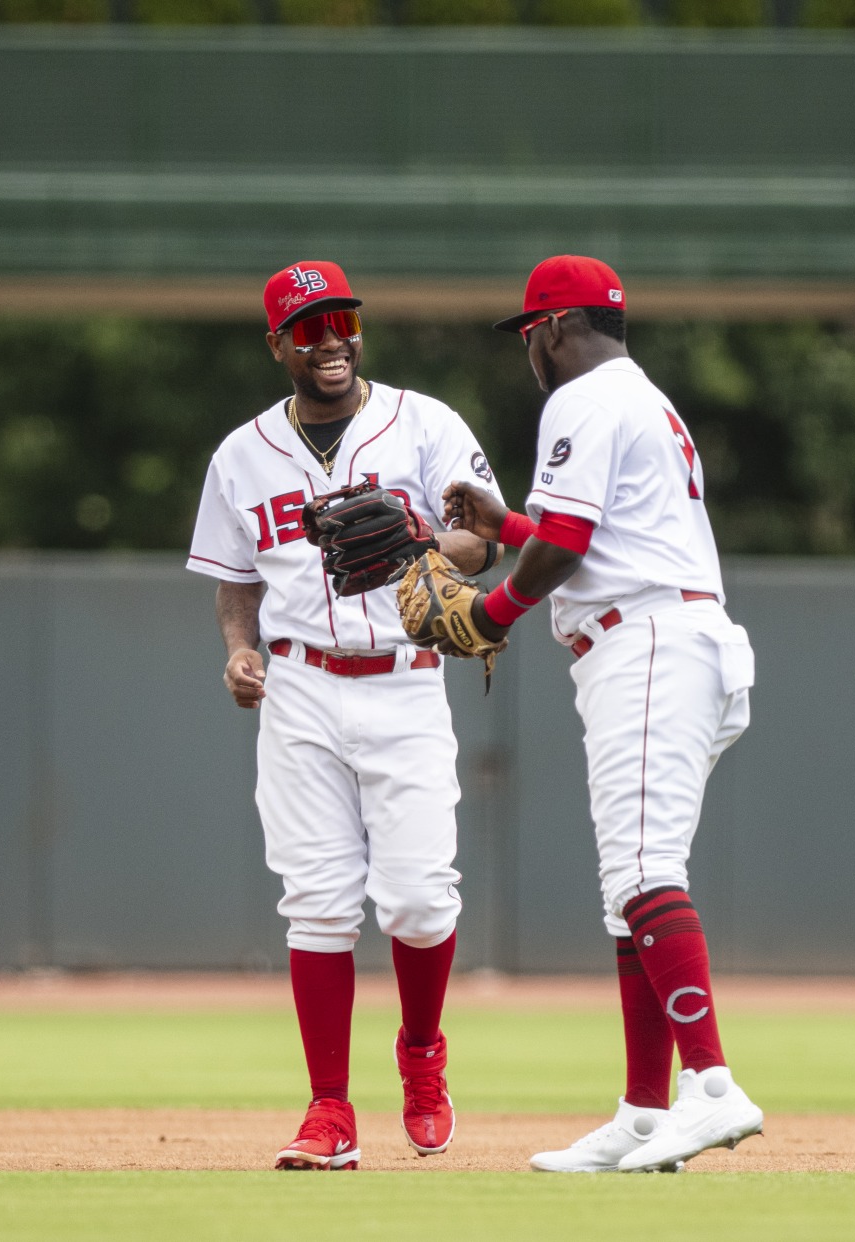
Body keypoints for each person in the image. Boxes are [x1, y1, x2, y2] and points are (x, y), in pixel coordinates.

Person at [441, 255, 763, 1174]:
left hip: (649, 643)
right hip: (674, 636)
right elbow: (593, 534)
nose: (529, 354)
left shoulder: (578, 400)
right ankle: (642, 1113)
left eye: (528, 336)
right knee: (631, 891)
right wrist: (507, 525)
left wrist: (489, 611)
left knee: (643, 874)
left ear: (551, 329)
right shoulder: (643, 396)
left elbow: (574, 547)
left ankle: (710, 1087)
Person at [187, 260, 505, 1170]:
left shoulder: (426, 422)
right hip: (298, 690)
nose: (330, 338)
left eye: (342, 320)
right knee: (318, 907)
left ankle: (421, 1056)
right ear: (278, 342)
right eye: (309, 326)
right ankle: (330, 1109)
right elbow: (236, 580)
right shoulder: (240, 454)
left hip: (404, 675)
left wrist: (418, 539)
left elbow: (481, 540)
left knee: (414, 899)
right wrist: (239, 653)